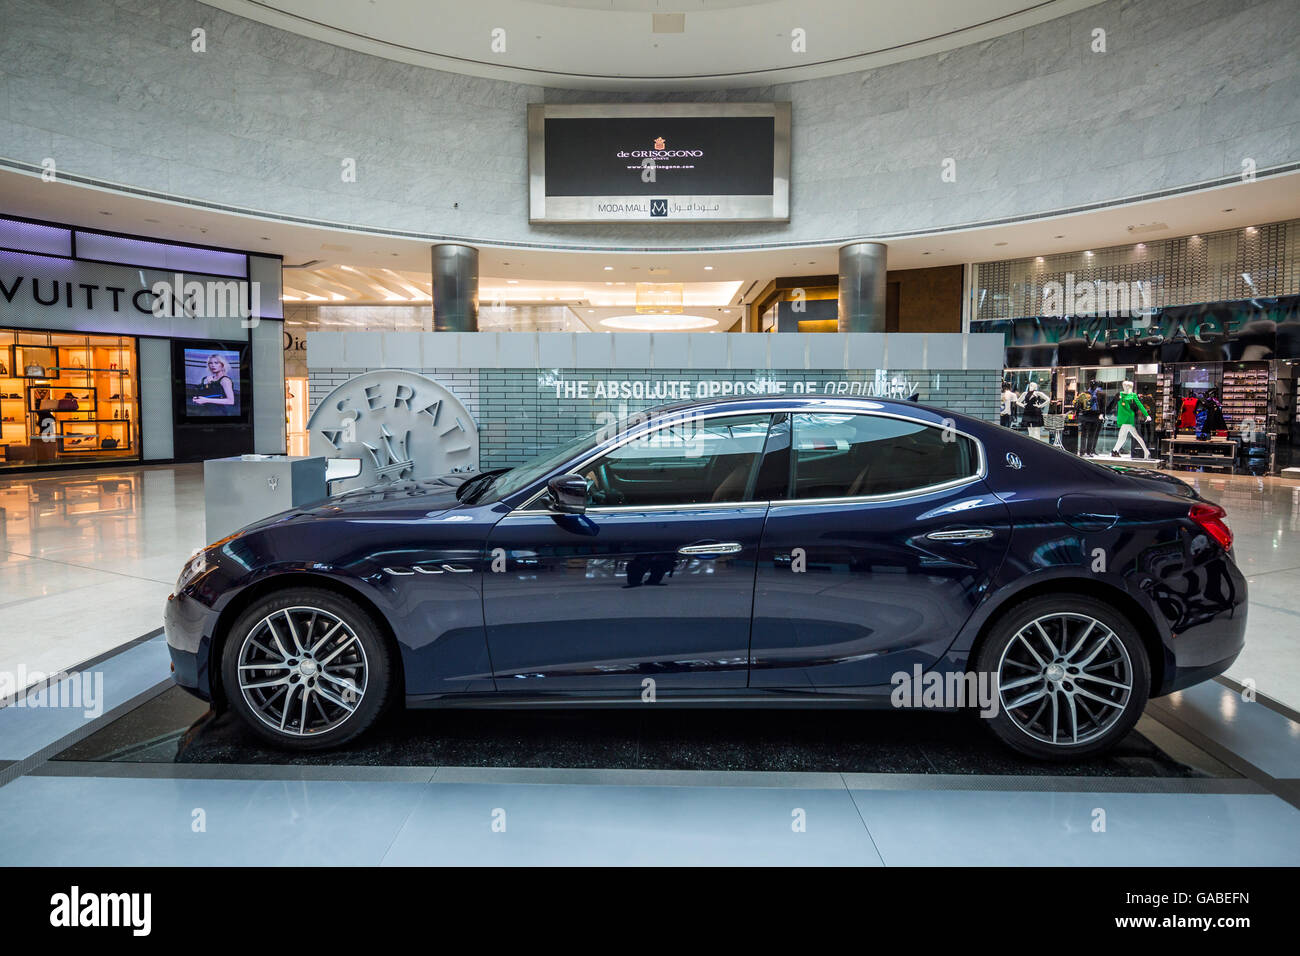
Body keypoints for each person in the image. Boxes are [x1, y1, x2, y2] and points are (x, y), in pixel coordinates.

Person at [1111, 380, 1150, 458]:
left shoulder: (1133, 395)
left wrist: (1147, 415)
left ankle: (1115, 451)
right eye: (1124, 386)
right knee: (1123, 436)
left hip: (1128, 419)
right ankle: (1114, 451)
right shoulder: (1120, 395)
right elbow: (1113, 404)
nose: (1125, 387)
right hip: (1123, 418)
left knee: (1126, 436)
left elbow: (1140, 405)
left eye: (1127, 386)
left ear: (1130, 387)